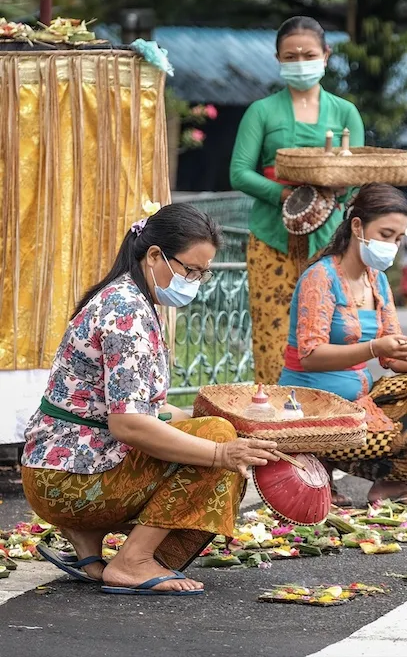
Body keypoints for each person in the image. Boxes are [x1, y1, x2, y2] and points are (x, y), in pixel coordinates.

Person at [20, 204, 280, 595]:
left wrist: (226, 423)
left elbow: (145, 406)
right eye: (190, 270)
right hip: (69, 480)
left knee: (214, 429)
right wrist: (221, 452)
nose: (195, 280)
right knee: (216, 437)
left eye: (202, 273)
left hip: (53, 471)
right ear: (155, 255)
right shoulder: (128, 311)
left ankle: (88, 541)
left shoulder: (125, 297)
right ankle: (133, 562)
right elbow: (128, 424)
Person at [278, 183, 407, 506]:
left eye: (398, 239)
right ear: (357, 226)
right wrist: (375, 349)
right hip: (312, 410)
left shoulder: (376, 281)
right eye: (386, 234)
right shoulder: (320, 278)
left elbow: (399, 358)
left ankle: (390, 484)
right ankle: (315, 461)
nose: (392, 246)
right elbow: (310, 356)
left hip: (359, 405)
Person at [230, 16, 366, 385]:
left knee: (331, 330)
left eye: (308, 54)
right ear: (278, 59)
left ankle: (328, 415)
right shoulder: (261, 111)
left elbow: (356, 179)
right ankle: (271, 420)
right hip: (270, 239)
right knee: (272, 334)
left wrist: (337, 193)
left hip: (330, 243)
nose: (300, 62)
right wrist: (286, 196)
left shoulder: (345, 112)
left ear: (326, 54)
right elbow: (240, 171)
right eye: (290, 56)